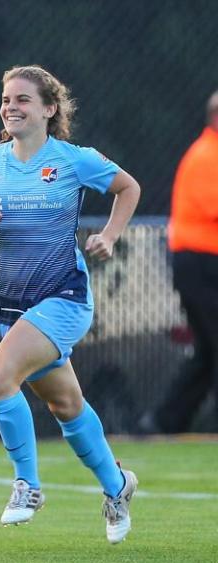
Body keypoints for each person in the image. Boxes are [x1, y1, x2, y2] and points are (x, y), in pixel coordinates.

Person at [0, 65, 141, 544]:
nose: (11, 107)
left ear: (49, 109)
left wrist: (109, 235)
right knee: (66, 404)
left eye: (22, 99)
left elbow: (129, 187)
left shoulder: (73, 159)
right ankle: (118, 486)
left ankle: (27, 485)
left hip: (63, 297)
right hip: (13, 307)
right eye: (6, 99)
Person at [142, 90, 218, 434]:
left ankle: (163, 422)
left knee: (208, 351)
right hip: (199, 264)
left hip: (204, 264)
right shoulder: (206, 156)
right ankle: (163, 421)